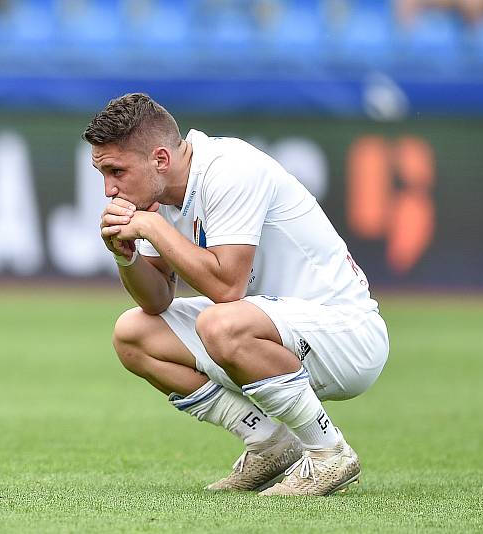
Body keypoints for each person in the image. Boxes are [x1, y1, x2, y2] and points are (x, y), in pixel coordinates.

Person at [83, 93, 389, 496]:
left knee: (219, 322)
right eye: (102, 173)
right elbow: (156, 301)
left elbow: (228, 287)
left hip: (347, 333)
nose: (109, 189)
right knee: (133, 334)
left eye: (116, 171)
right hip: (271, 329)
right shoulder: (161, 197)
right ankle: (271, 445)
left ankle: (329, 452)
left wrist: (155, 230)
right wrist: (126, 259)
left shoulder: (230, 169)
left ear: (160, 159)